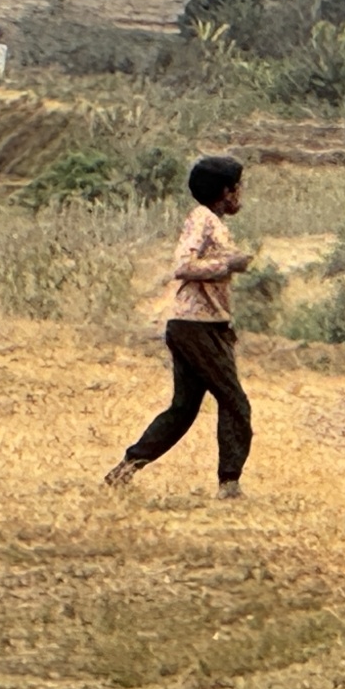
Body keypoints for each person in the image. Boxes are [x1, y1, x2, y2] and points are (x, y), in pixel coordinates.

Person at [105, 156, 253, 499]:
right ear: (226, 192)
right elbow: (183, 265)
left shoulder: (209, 220)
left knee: (184, 408)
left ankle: (124, 470)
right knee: (235, 403)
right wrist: (228, 263)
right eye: (238, 187)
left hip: (198, 325)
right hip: (196, 326)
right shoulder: (202, 218)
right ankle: (229, 483)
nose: (241, 193)